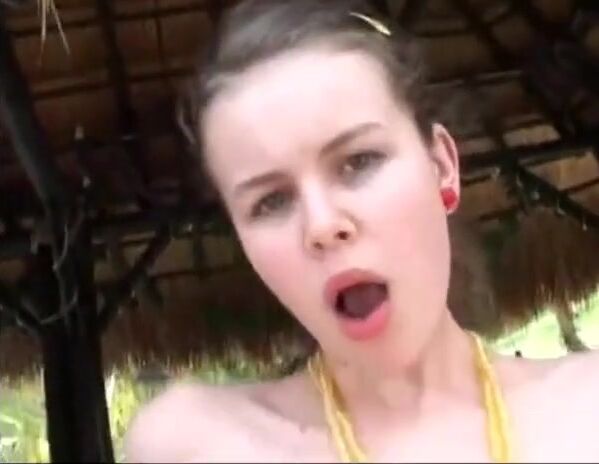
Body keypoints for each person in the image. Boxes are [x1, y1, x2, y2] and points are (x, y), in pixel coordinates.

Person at [124, 0, 599, 461]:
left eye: (359, 162)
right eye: (271, 202)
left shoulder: (586, 408)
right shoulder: (199, 443)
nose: (323, 225)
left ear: (442, 167)